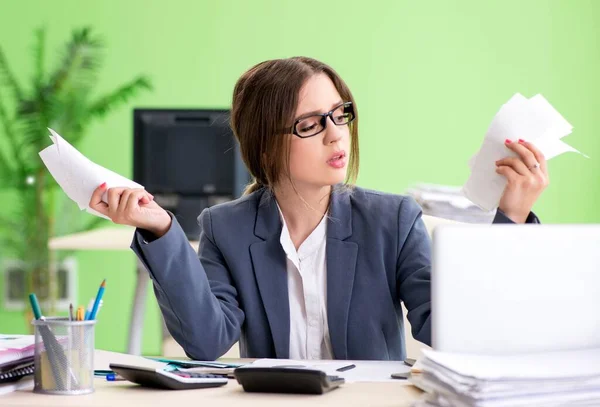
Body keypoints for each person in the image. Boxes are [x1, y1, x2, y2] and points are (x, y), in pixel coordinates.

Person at [89, 57, 547, 361]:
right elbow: (207, 342)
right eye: (310, 124)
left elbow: (449, 330)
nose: (335, 135)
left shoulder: (393, 221)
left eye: (339, 114)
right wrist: (161, 228)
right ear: (266, 146)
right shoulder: (225, 227)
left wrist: (512, 222)